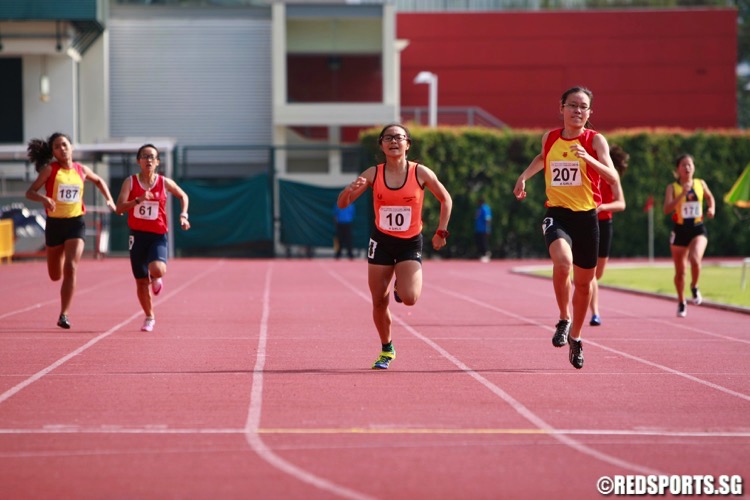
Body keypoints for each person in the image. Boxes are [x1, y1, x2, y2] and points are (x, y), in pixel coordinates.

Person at [513, 86, 619, 369]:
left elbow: (612, 176)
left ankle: (576, 337)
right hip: (557, 214)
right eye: (572, 105)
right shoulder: (549, 138)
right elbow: (543, 158)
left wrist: (588, 158)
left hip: (587, 218)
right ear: (561, 107)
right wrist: (524, 177)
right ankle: (564, 317)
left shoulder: (596, 141)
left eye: (583, 107)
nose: (577, 111)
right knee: (563, 263)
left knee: (584, 285)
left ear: (589, 113)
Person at [337, 123, 452, 369]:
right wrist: (349, 190)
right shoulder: (373, 174)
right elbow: (343, 204)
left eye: (399, 137)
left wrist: (441, 231)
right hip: (381, 241)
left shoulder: (420, 173)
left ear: (407, 144)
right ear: (381, 145)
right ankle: (387, 348)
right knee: (379, 300)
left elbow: (445, 199)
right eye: (388, 138)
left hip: (410, 242)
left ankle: (401, 283)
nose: (393, 141)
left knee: (410, 298)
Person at [25, 132, 117, 329]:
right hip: (55, 225)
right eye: (57, 147)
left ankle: (64, 314)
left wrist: (109, 199)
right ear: (53, 152)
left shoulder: (81, 169)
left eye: (65, 145)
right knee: (55, 275)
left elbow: (99, 181)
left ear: (71, 147)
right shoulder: (50, 170)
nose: (62, 149)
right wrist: (44, 199)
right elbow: (30, 192)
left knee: (71, 267)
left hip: (76, 223)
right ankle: (61, 267)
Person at [115, 144, 190, 332]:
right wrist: (137, 200)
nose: (148, 159)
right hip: (137, 236)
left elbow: (183, 195)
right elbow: (119, 208)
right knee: (141, 280)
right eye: (144, 156)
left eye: (152, 157)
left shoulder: (164, 182)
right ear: (138, 161)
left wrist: (184, 215)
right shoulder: (130, 182)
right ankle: (149, 316)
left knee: (157, 269)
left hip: (157, 235)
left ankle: (156, 277)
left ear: (157, 162)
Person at [663, 154, 715, 318]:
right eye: (684, 165)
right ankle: (681, 301)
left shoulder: (700, 183)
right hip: (679, 231)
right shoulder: (672, 187)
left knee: (695, 259)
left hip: (698, 229)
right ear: (677, 169)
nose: (687, 168)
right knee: (680, 272)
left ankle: (694, 286)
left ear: (694, 167)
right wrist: (681, 195)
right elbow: (666, 209)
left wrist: (711, 208)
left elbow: (709, 197)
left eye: (690, 165)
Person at [589, 144, 628, 326]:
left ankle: (585, 290)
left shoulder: (613, 178)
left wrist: (604, 207)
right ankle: (595, 313)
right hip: (587, 222)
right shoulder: (589, 171)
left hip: (605, 223)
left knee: (598, 274)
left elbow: (621, 204)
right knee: (590, 272)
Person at [474, 196, 492, 262]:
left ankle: (486, 254)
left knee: (484, 243)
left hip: (484, 229)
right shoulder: (479, 209)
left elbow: (488, 219)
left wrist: (488, 229)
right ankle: (481, 255)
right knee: (479, 243)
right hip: (478, 229)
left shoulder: (485, 208)